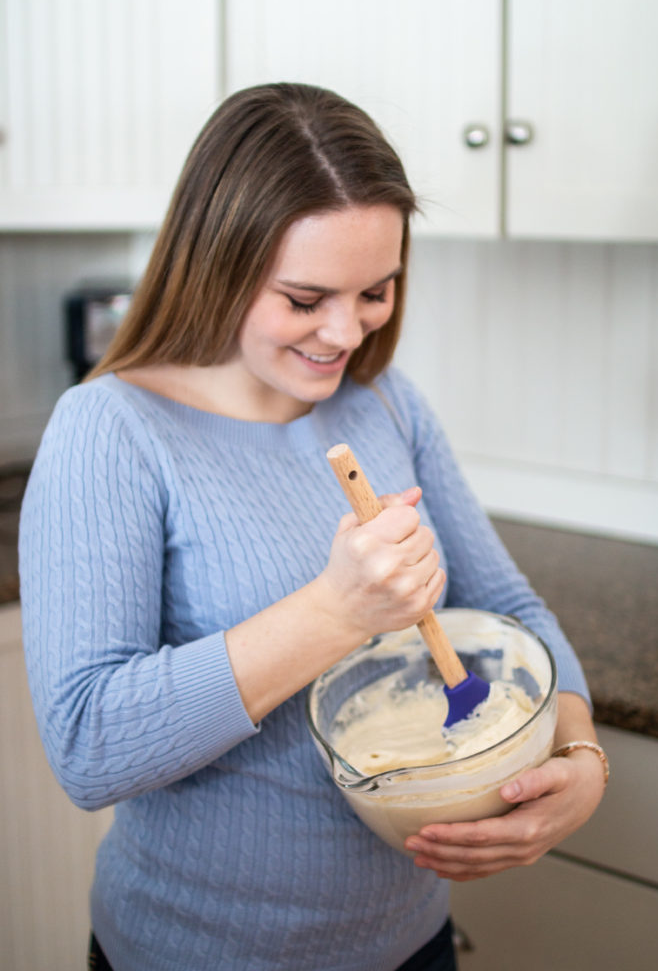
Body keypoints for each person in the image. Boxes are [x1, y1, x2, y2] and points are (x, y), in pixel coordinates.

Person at [19, 83, 607, 971]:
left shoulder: (383, 405)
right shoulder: (111, 432)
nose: (345, 331)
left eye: (376, 290)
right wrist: (335, 612)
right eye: (304, 298)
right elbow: (89, 745)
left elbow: (506, 607)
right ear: (216, 264)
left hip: (411, 943)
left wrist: (580, 755)